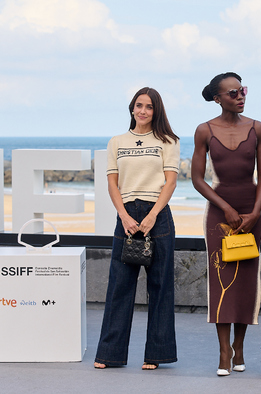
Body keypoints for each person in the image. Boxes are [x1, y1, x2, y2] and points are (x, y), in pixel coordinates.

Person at [94, 87, 180, 370]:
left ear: (156, 111)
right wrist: (123, 215)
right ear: (132, 108)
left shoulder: (168, 141)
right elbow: (112, 183)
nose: (143, 111)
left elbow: (169, 182)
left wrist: (153, 215)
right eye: (139, 105)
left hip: (158, 215)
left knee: (160, 286)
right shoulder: (116, 142)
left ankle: (156, 355)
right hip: (127, 216)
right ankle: (109, 354)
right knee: (120, 285)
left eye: (149, 107)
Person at [192, 72, 261, 376]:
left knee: (247, 282)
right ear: (218, 98)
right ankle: (224, 352)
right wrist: (225, 207)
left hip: (252, 214)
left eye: (243, 90)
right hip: (219, 216)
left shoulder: (257, 128)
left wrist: (254, 213)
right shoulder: (204, 131)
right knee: (222, 282)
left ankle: (240, 348)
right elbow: (197, 178)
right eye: (234, 92)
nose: (241, 96)